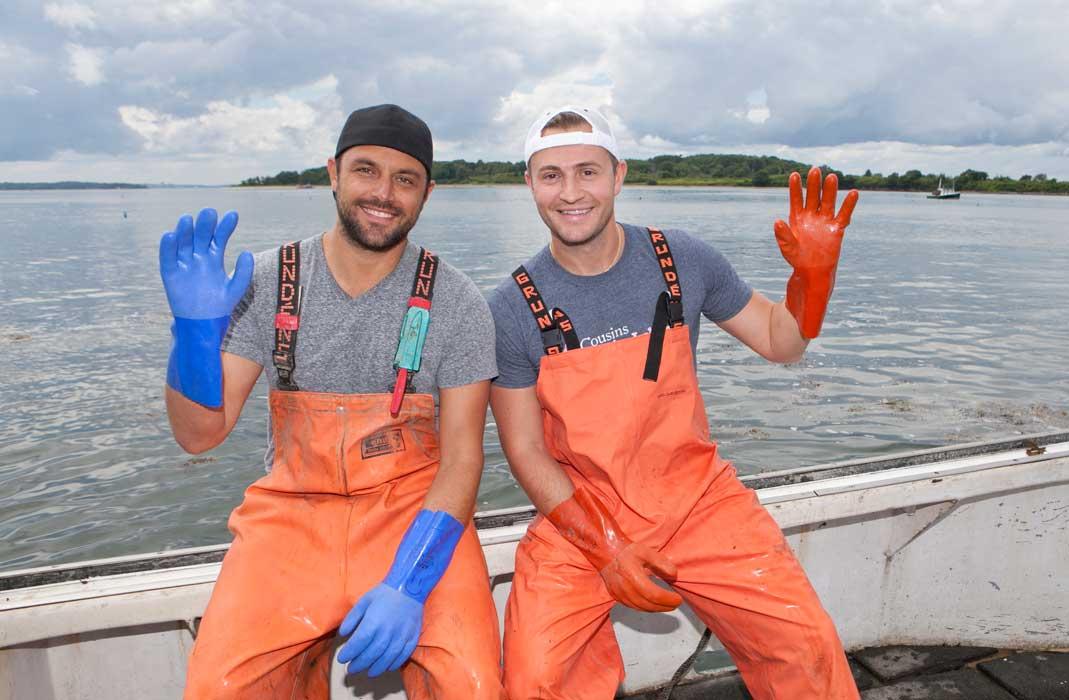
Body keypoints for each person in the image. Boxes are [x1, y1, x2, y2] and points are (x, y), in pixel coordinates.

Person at [487, 106, 861, 699]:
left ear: (619, 175)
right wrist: (606, 548)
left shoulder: (681, 259)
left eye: (588, 171)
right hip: (581, 515)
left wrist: (813, 280)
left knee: (804, 645)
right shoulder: (510, 306)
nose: (571, 192)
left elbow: (780, 342)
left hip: (699, 499)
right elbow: (528, 453)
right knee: (535, 678)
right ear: (528, 184)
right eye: (551, 175)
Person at [160, 104, 504, 699]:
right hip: (290, 518)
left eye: (406, 179)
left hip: (413, 519)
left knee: (471, 683)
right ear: (333, 173)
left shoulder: (459, 301)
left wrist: (411, 581)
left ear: (426, 193)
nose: (384, 193)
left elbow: (462, 462)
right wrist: (193, 331)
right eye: (366, 170)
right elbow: (199, 435)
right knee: (220, 686)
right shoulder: (267, 280)